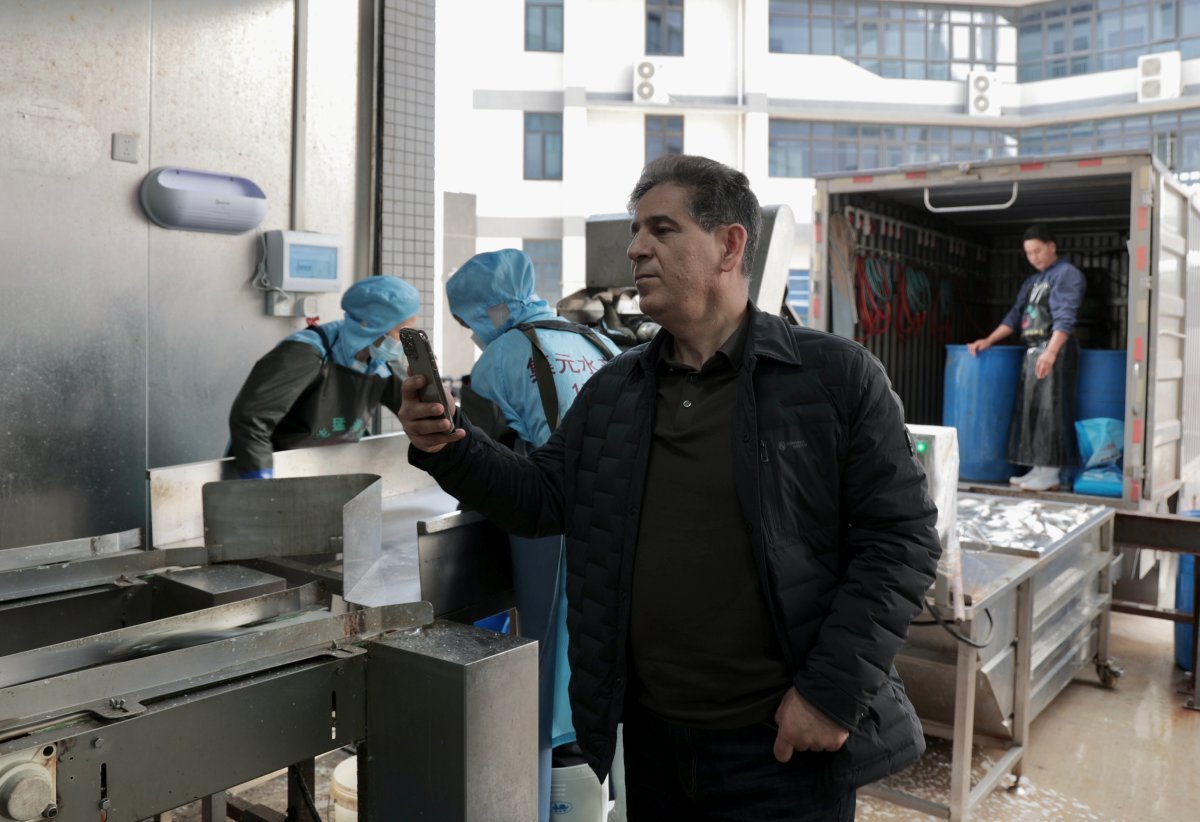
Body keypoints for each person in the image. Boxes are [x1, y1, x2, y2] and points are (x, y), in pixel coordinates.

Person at [397, 155, 941, 820]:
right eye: (635, 231)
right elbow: (542, 499)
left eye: (661, 229)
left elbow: (902, 540)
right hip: (653, 742)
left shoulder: (831, 378)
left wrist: (830, 695)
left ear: (729, 245)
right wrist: (450, 444)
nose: (635, 249)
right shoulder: (617, 389)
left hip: (779, 747)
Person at [445, 248, 618, 822]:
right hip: (621, 516)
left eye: (468, 321)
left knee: (547, 673)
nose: (472, 333)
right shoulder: (599, 343)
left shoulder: (498, 360)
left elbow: (480, 468)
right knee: (611, 662)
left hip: (551, 525)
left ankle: (547, 803)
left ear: (487, 311)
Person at [228, 275, 419, 479]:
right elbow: (252, 419)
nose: (407, 340)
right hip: (276, 470)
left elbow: (416, 410)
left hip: (330, 470)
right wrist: (260, 480)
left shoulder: (380, 362)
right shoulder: (303, 354)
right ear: (371, 326)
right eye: (402, 331)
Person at [967, 224, 1086, 492]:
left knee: (1051, 410)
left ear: (1052, 247)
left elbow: (1065, 317)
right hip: (1033, 349)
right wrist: (988, 340)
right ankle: (1038, 468)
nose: (1033, 257)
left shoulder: (1067, 275)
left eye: (1037, 251)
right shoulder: (1032, 282)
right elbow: (1015, 315)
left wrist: (1051, 351)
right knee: (1032, 410)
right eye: (1029, 253)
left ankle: (1052, 472)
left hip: (1055, 349)